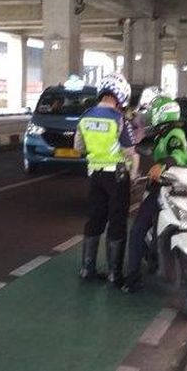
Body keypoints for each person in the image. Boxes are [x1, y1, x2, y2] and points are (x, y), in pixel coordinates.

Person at [123, 96, 187, 299]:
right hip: (186, 187)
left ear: (161, 113)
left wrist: (162, 165)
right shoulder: (163, 133)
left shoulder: (174, 134)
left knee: (137, 229)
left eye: (154, 111)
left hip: (168, 187)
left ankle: (132, 278)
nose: (150, 115)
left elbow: (177, 155)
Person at [74, 72, 136, 287]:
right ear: (119, 95)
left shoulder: (86, 116)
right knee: (117, 221)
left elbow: (78, 147)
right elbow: (129, 151)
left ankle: (86, 269)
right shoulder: (120, 119)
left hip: (95, 175)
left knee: (94, 219)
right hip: (117, 176)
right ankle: (114, 274)